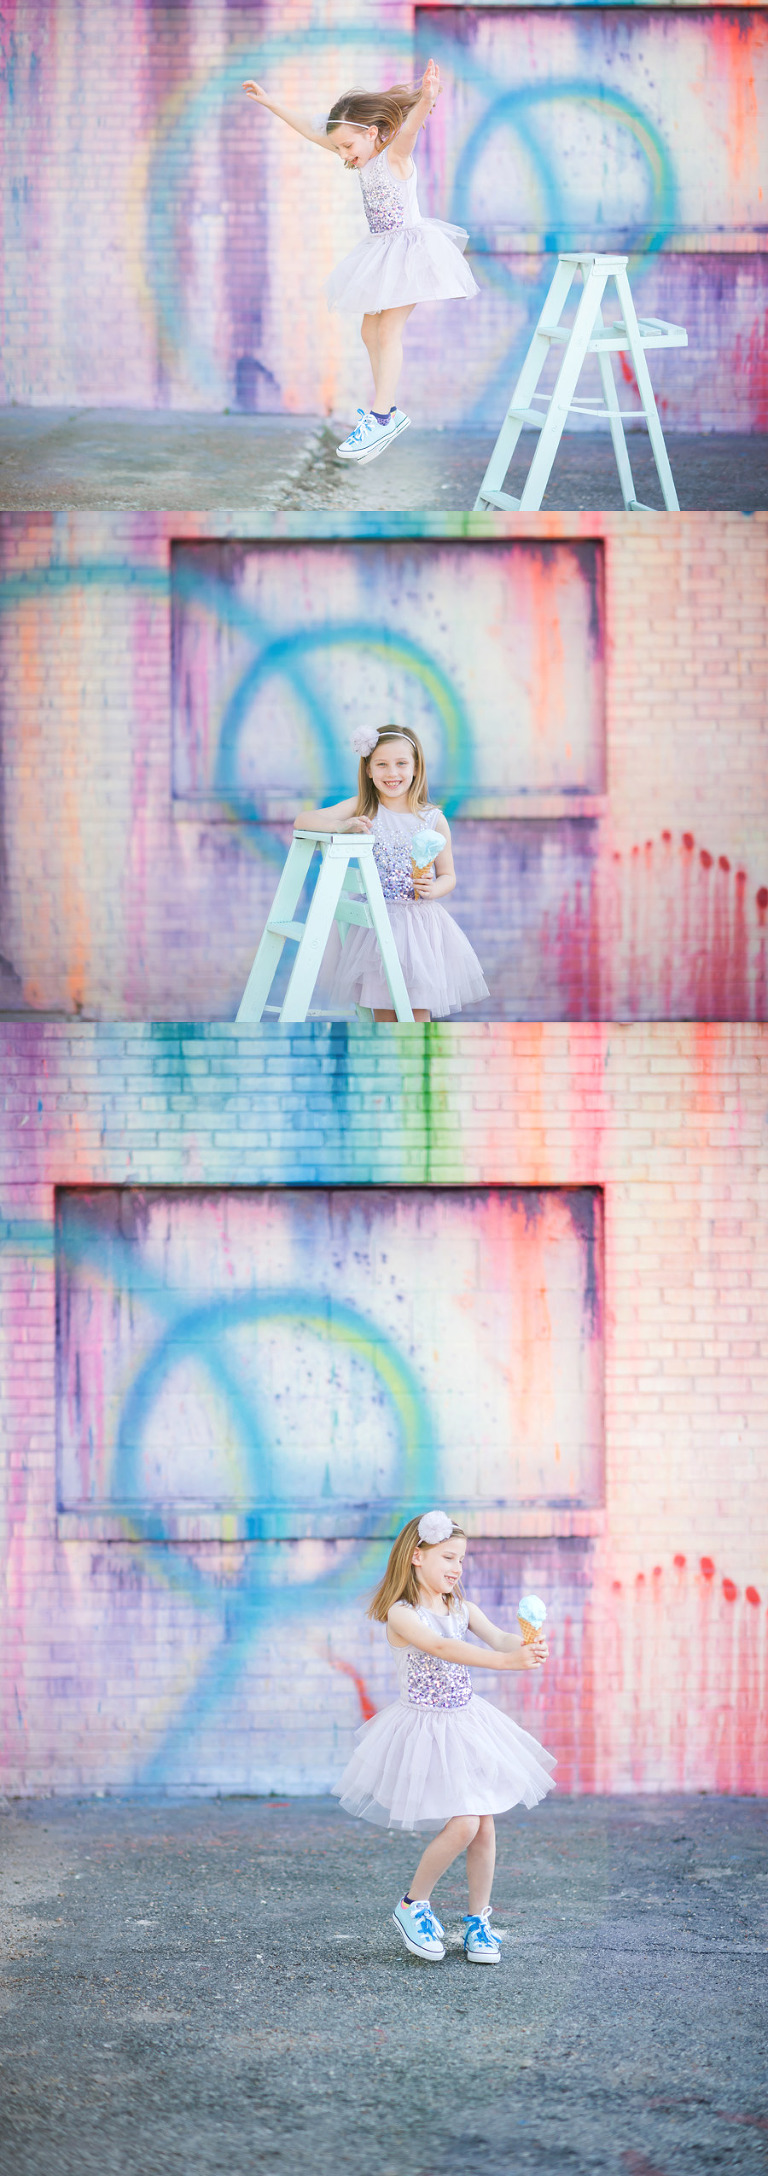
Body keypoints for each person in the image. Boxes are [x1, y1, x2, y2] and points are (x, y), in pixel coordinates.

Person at [333, 1511, 555, 1963]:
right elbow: (442, 1648)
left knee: (484, 1824)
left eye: (462, 1560)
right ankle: (413, 1905)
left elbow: (497, 1638)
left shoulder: (462, 1609)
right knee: (466, 1822)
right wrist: (505, 1665)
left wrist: (525, 1645)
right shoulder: (402, 1615)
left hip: (468, 1724)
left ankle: (478, 1922)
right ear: (417, 1557)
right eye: (448, 1557)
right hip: (427, 1731)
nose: (457, 1568)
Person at [243, 61, 478, 463]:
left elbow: (408, 130)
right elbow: (310, 128)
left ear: (371, 133)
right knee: (370, 333)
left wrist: (427, 98)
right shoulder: (363, 158)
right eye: (339, 149)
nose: (343, 155)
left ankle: (383, 415)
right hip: (381, 250)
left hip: (410, 250)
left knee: (388, 332)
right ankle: (387, 411)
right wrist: (269, 103)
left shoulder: (394, 157)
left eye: (347, 147)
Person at [294, 724, 489, 1020]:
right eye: (381, 764)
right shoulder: (365, 807)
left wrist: (434, 888)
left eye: (401, 764)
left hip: (421, 929)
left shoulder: (432, 819)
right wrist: (341, 825)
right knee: (384, 1012)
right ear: (369, 770)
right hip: (376, 927)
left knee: (418, 1011)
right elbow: (303, 820)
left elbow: (448, 875)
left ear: (415, 767)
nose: (392, 773)